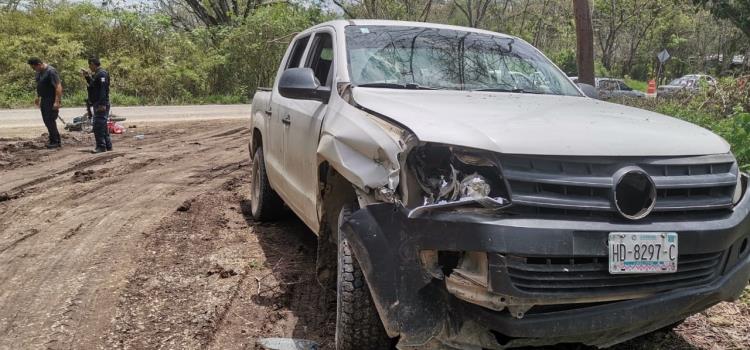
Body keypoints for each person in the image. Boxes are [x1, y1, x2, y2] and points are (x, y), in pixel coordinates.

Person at [28, 57, 63, 149]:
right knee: (47, 120)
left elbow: (58, 87)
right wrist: (38, 97)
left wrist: (57, 102)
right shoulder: (39, 72)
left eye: (34, 67)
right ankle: (54, 140)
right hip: (44, 99)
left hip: (51, 99)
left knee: (50, 120)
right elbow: (40, 85)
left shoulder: (51, 71)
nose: (34, 70)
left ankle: (56, 141)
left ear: (39, 64)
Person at [81, 57, 112, 153]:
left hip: (100, 103)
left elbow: (103, 90)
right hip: (97, 102)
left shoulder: (102, 74)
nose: (89, 68)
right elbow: (93, 86)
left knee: (98, 125)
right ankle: (108, 146)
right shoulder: (97, 74)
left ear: (93, 64)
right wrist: (87, 76)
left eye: (90, 65)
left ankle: (101, 146)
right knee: (102, 125)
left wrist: (102, 104)